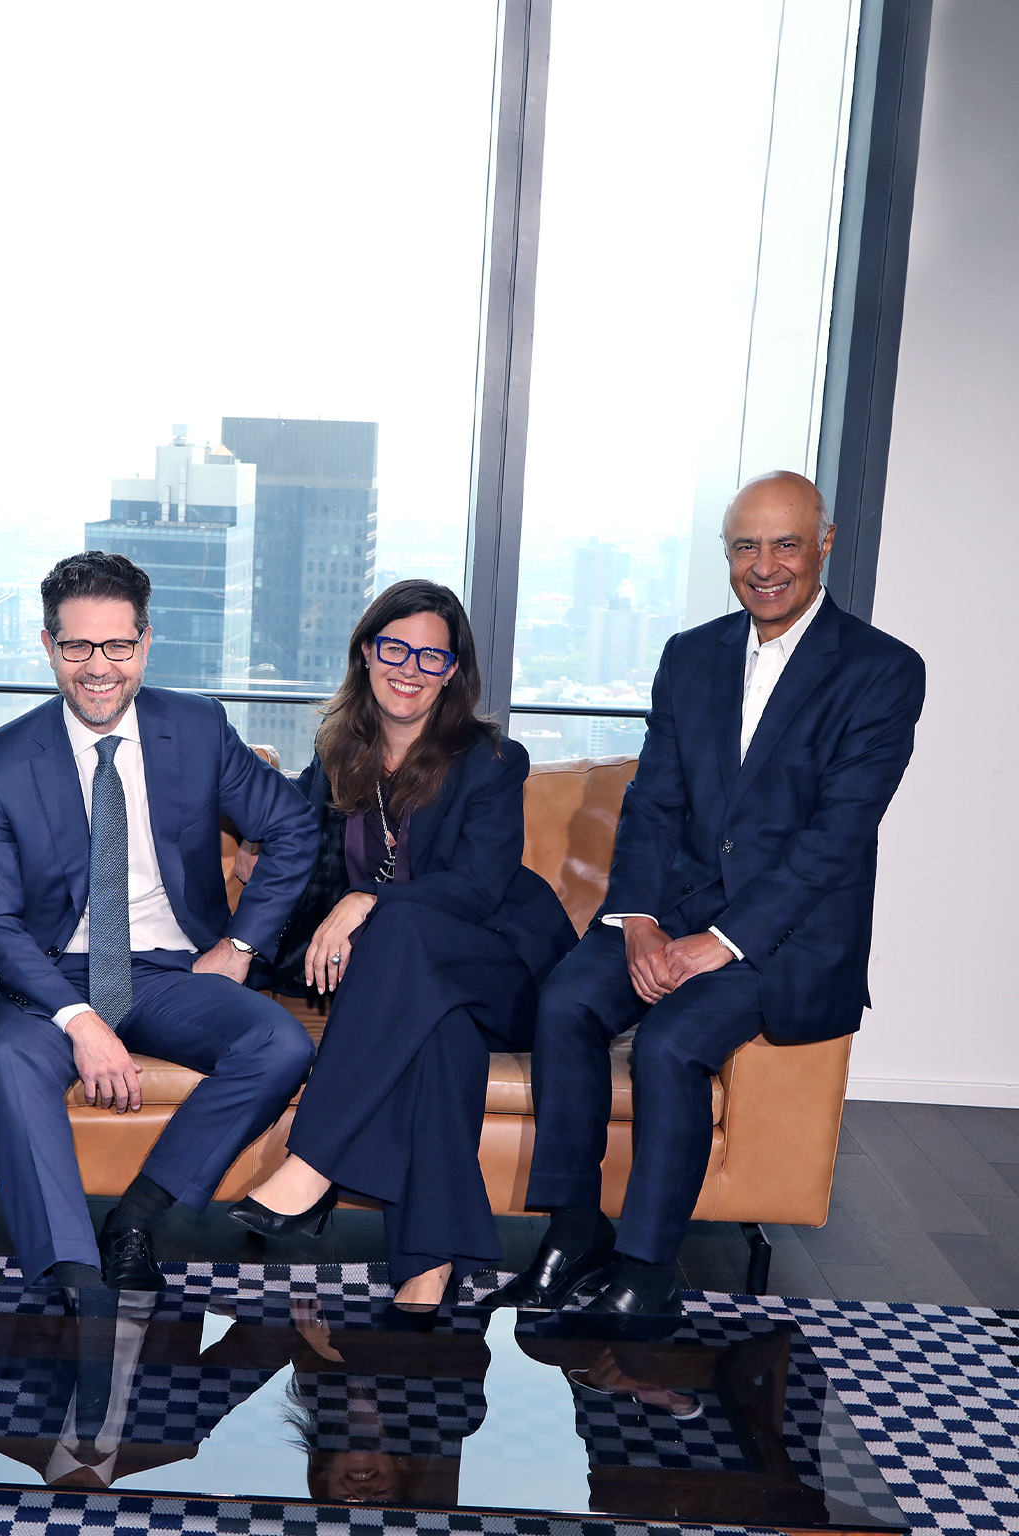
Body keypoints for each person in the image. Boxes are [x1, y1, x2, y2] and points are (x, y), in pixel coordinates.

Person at [494, 471, 925, 1320]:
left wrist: (721, 943)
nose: (764, 566)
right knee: (567, 1000)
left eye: (785, 544)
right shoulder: (691, 655)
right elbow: (654, 802)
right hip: (675, 911)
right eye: (744, 546)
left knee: (670, 1045)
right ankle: (574, 1232)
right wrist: (643, 921)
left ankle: (648, 1268)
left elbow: (834, 840)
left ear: (824, 544)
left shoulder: (883, 672)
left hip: (785, 938)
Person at [0, 551, 320, 1293]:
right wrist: (79, 1019)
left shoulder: (195, 726)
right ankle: (70, 1274)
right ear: (48, 646)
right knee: (4, 1061)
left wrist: (242, 945)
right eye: (78, 646)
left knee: (277, 1041)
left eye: (119, 645)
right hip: (52, 975)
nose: (100, 667)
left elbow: (294, 825)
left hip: (167, 970)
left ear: (145, 644)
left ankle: (138, 1218)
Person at [227, 581, 577, 1307]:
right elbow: (291, 840)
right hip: (420, 994)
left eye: (431, 656)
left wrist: (369, 898)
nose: (410, 667)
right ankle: (429, 1268)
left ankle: (313, 1161)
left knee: (403, 923)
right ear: (366, 652)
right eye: (395, 647)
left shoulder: (489, 760)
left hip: (500, 968)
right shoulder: (338, 755)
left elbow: (479, 887)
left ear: (452, 672)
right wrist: (254, 863)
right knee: (439, 1040)